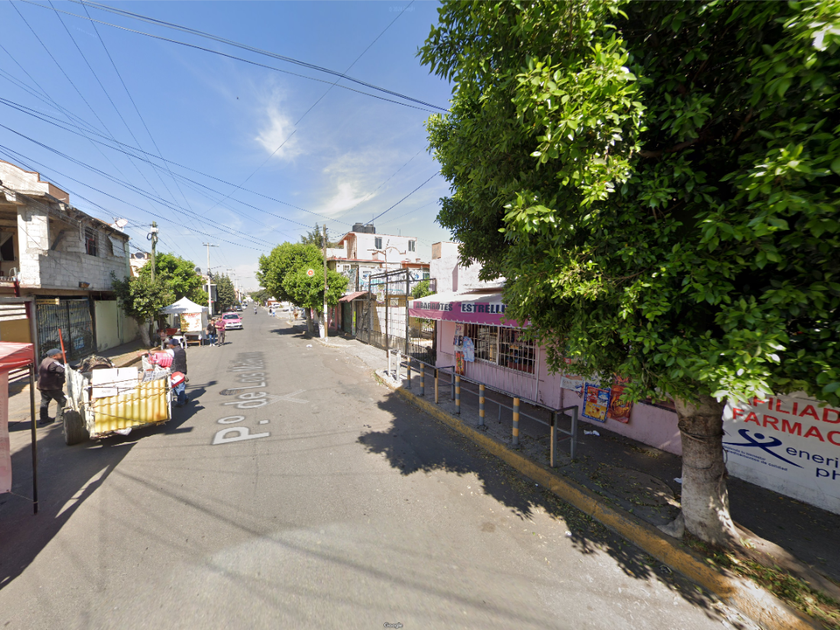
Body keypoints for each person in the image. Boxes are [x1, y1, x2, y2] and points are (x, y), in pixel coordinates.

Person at [37, 348, 66, 427]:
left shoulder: (45, 360)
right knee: (62, 400)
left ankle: (44, 418)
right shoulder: (53, 363)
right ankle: (59, 417)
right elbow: (62, 369)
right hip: (51, 387)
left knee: (44, 401)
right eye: (60, 354)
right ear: (54, 356)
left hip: (43, 386)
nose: (63, 355)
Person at [167, 339, 189, 406]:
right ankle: (184, 398)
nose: (168, 345)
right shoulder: (181, 350)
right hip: (182, 370)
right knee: (176, 388)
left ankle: (181, 402)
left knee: (178, 388)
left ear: (172, 345)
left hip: (176, 371)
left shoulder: (174, 351)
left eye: (169, 344)